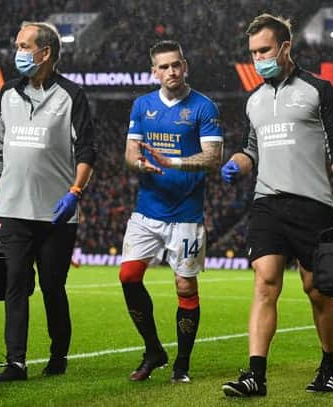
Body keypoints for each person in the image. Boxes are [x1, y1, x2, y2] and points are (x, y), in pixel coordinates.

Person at [220, 14, 333, 397]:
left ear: (285, 47)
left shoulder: (319, 89)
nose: (258, 59)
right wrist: (238, 163)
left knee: (317, 290)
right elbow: (251, 149)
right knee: (265, 282)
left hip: (312, 205)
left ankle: (329, 364)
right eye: (252, 53)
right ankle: (255, 376)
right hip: (267, 203)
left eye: (264, 50)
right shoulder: (254, 100)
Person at [0, 21, 96, 383]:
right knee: (15, 283)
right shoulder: (8, 94)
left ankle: (58, 353)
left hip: (55, 214)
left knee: (52, 286)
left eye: (24, 45)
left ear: (45, 52)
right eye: (17, 44)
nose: (17, 52)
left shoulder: (72, 95)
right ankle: (16, 362)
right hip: (12, 209)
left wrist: (74, 193)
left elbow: (87, 151)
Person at [119, 40, 223, 383]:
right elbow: (130, 153)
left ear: (185, 66)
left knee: (184, 286)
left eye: (176, 65)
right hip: (147, 211)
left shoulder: (203, 107)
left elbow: (213, 158)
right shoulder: (142, 105)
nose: (171, 71)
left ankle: (182, 364)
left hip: (186, 216)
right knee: (128, 277)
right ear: (154, 72)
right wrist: (140, 165)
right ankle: (153, 349)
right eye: (163, 67)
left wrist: (172, 162)